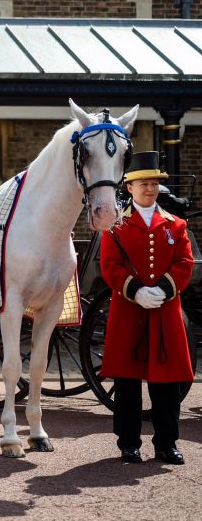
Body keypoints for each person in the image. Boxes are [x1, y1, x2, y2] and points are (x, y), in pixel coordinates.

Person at [99, 150, 194, 465]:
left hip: (165, 312)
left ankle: (166, 444)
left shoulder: (175, 226)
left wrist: (164, 289)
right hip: (129, 311)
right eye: (143, 183)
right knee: (127, 383)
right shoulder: (115, 227)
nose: (149, 189)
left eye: (154, 183)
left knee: (166, 383)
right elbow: (110, 266)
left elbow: (184, 262)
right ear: (129, 187)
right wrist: (136, 291)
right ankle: (129, 444)